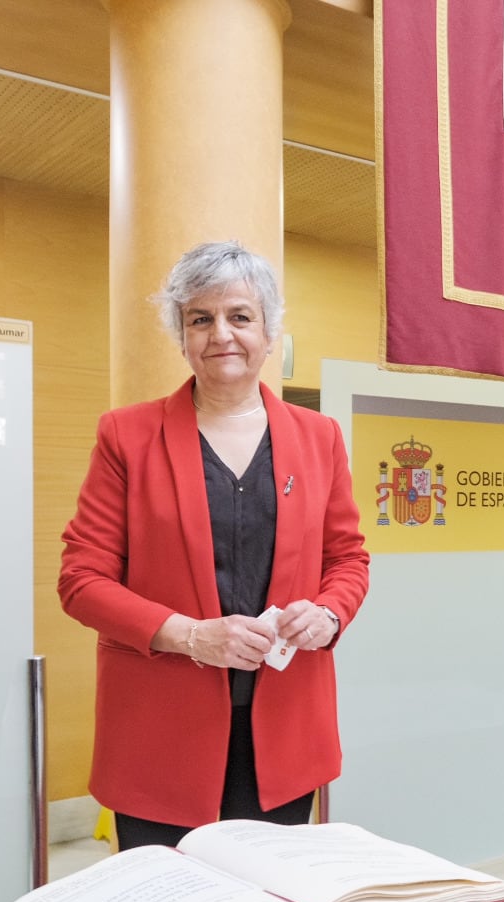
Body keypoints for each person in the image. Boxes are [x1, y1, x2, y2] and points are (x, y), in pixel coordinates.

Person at [59, 241, 371, 850]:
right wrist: (192, 635)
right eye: (200, 319)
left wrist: (330, 611)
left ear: (269, 330)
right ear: (181, 335)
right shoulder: (127, 435)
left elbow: (348, 559)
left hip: (283, 734)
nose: (221, 334)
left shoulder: (319, 437)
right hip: (160, 736)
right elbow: (82, 580)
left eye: (240, 316)